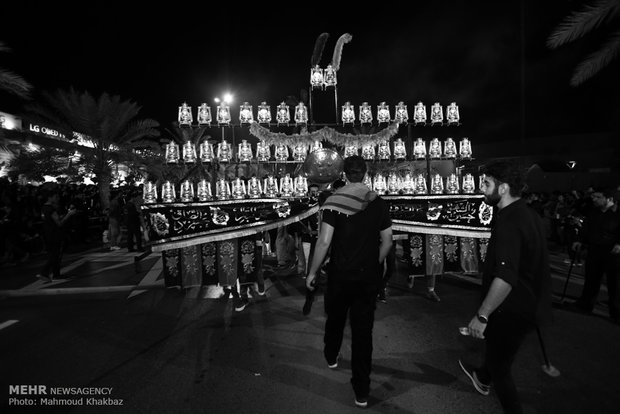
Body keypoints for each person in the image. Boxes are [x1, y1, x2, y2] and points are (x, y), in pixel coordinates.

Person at [458, 159, 552, 414]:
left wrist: (482, 315)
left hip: (512, 309)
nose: (482, 188)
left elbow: (506, 276)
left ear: (503, 188)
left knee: (502, 369)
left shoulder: (510, 222)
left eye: (486, 183)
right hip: (529, 305)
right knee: (500, 356)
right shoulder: (529, 214)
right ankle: (482, 375)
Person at [305, 155, 393, 408]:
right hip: (367, 278)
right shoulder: (378, 203)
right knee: (363, 332)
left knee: (335, 317)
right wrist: (372, 263)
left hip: (340, 275)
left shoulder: (334, 201)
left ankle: (331, 355)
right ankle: (362, 391)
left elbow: (324, 242)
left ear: (344, 174)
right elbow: (387, 241)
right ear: (365, 174)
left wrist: (312, 272)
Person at [570, 187, 620, 323]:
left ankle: (616, 311)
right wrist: (579, 240)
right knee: (591, 278)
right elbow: (586, 227)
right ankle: (585, 304)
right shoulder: (594, 212)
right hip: (595, 248)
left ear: (608, 198)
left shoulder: (617, 212)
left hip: (613, 252)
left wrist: (618, 243)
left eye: (598, 197)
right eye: (593, 197)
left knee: (614, 282)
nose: (594, 199)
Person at [36, 192, 77, 282]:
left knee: (54, 253)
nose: (57, 198)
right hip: (55, 234)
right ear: (50, 198)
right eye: (55, 196)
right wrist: (69, 214)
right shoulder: (51, 209)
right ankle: (45, 272)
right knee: (56, 254)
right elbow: (59, 223)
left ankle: (56, 274)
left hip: (48, 233)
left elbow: (51, 220)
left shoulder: (43, 208)